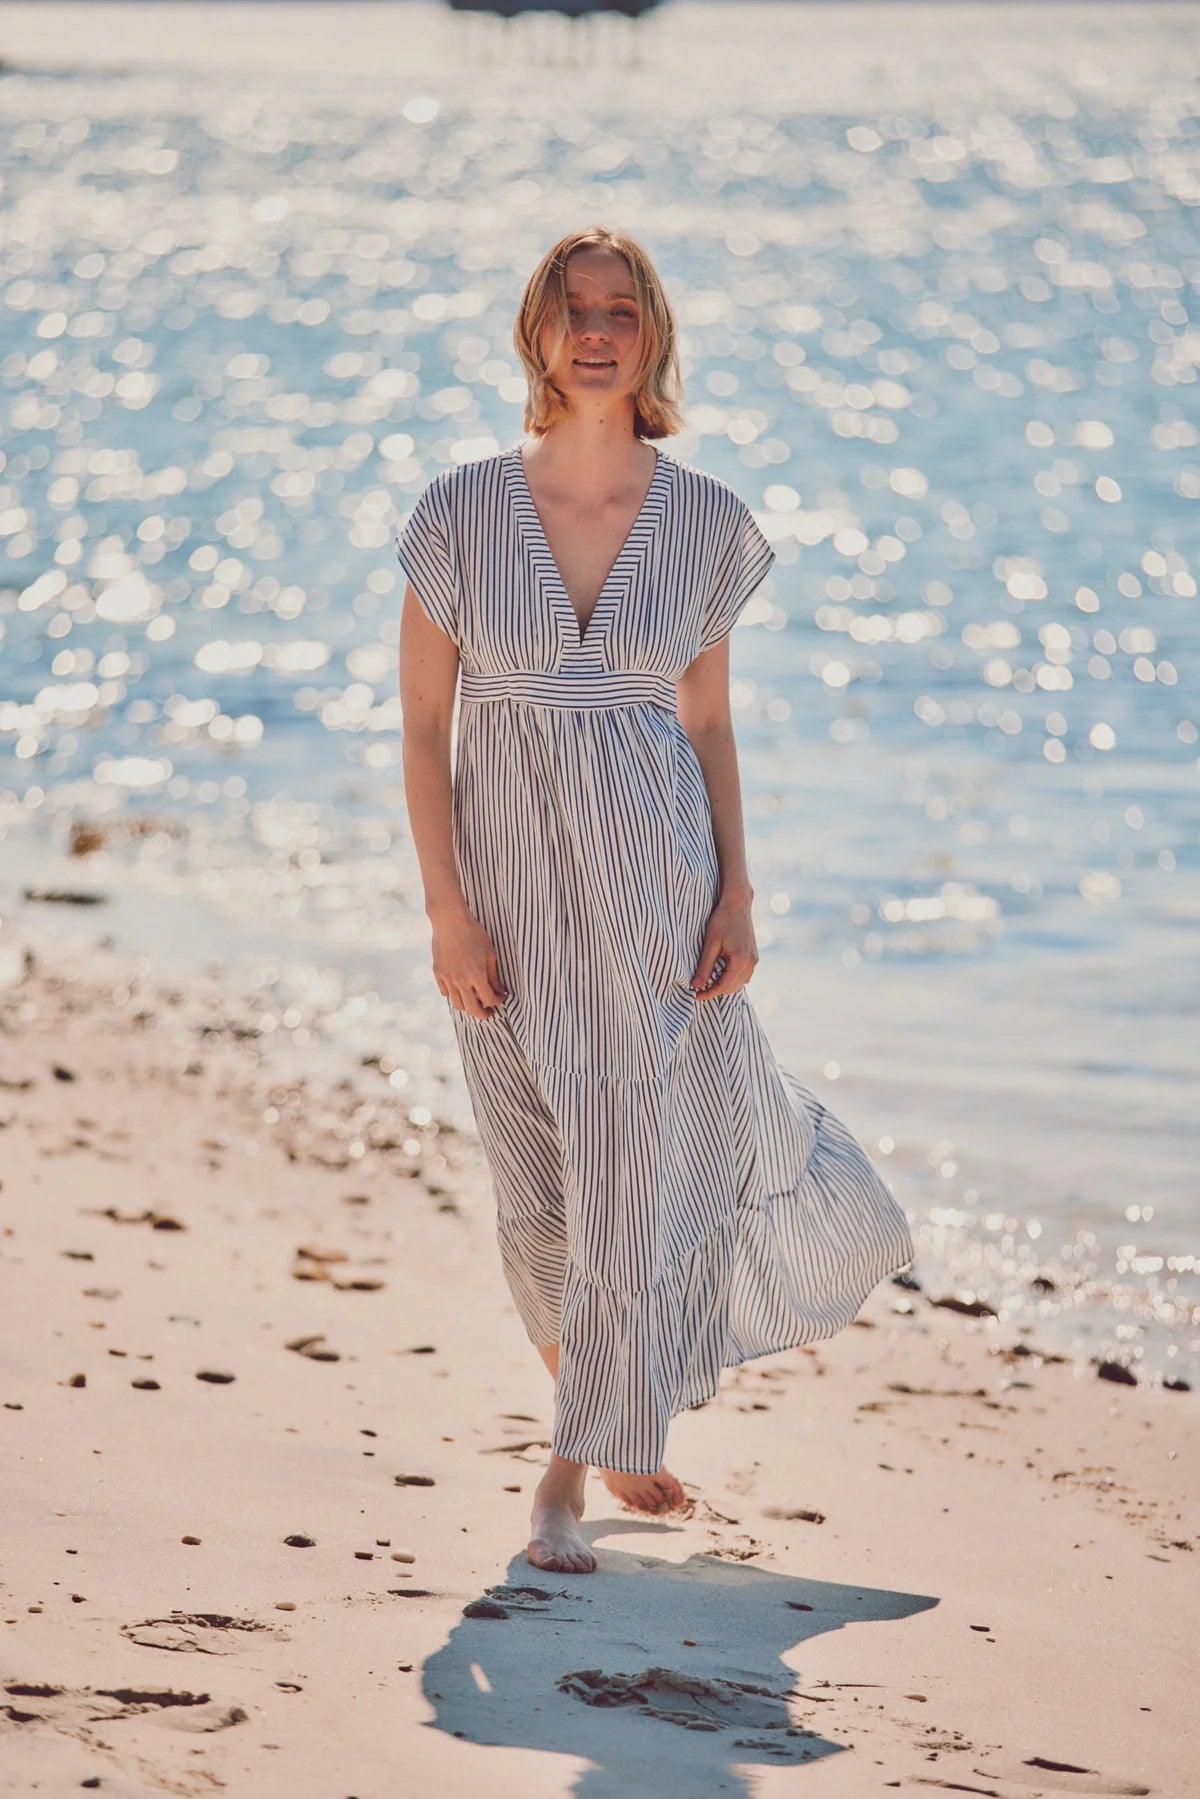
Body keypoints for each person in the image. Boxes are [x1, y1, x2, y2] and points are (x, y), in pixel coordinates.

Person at [396, 225, 914, 1576]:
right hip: (504, 896)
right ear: (537, 332)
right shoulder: (457, 512)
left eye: (622, 310)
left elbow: (711, 726)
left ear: (653, 335)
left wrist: (738, 889)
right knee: (537, 1188)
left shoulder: (702, 523)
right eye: (573, 310)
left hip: (648, 885)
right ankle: (614, 1406)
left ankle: (567, 1475)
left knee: (627, 1173)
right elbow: (420, 730)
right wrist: (447, 910)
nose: (596, 331)